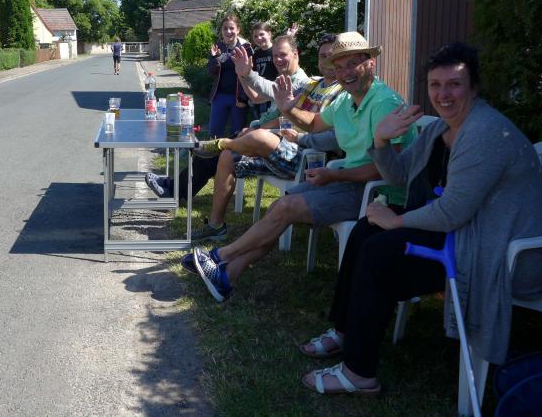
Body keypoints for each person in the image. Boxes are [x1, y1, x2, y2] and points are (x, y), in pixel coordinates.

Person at [301, 42, 542, 396]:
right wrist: (381, 140)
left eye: (454, 84)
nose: (443, 94)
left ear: (474, 87)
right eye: (435, 85)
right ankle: (345, 330)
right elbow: (398, 175)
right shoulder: (440, 130)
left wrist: (396, 221)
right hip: (466, 233)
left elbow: (453, 210)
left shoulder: (485, 132)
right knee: (365, 230)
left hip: (502, 252)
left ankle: (359, 373)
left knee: (380, 251)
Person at [189, 31, 416, 302]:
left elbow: (386, 170)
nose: (345, 72)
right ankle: (227, 276)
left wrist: (334, 175)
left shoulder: (383, 103)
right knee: (279, 208)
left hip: (379, 195)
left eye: (352, 63)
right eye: (339, 66)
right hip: (349, 181)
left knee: (285, 208)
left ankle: (219, 256)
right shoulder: (346, 100)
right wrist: (288, 108)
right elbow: (313, 123)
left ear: (370, 63)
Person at [187, 33, 342, 241]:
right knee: (228, 157)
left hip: (312, 160)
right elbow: (272, 91)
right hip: (287, 149)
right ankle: (216, 226)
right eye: (323, 56)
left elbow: (334, 139)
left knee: (258, 136)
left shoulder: (342, 92)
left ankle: (220, 143)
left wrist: (300, 139)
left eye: (332, 56)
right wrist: (248, 74)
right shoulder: (313, 84)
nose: (327, 60)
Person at [144, 30, 314, 207]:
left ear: (296, 54)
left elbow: (289, 121)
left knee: (214, 155)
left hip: (274, 145)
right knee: (209, 155)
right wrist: (242, 75)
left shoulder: (301, 83)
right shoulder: (284, 78)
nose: (278, 59)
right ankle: (174, 188)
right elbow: (257, 97)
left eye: (283, 55)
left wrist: (256, 128)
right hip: (260, 134)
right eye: (275, 55)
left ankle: (174, 190)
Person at [207, 14, 249, 137]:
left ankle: (233, 150)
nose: (228, 31)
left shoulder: (245, 47)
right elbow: (210, 72)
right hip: (219, 96)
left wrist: (243, 98)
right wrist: (216, 58)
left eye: (231, 28)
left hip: (238, 98)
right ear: (221, 30)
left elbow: (249, 74)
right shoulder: (217, 47)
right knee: (214, 133)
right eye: (225, 28)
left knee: (237, 134)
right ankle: (215, 150)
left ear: (238, 30)